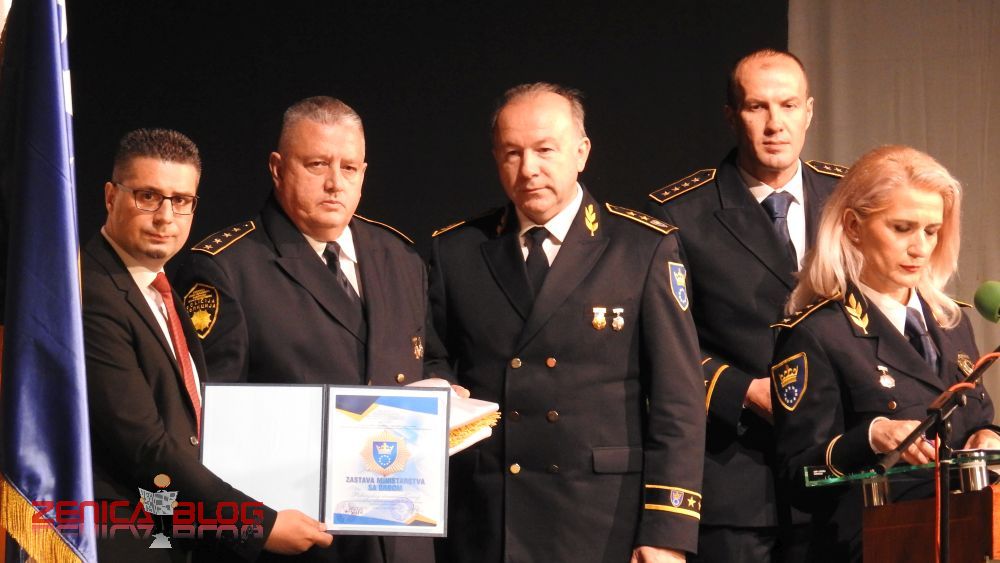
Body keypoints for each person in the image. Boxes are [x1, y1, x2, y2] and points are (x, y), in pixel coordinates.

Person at [429, 83, 705, 563]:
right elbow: (432, 357)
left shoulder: (642, 248)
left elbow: (678, 400)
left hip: (599, 518)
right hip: (489, 519)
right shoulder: (457, 251)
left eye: (545, 150)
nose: (528, 169)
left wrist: (667, 531)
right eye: (512, 153)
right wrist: (441, 388)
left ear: (582, 152)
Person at [173, 97, 441, 563]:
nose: (335, 182)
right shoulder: (227, 268)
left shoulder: (399, 257)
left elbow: (427, 360)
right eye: (317, 164)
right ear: (277, 169)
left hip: (400, 536)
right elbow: (209, 428)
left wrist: (446, 395)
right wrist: (253, 526)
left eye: (349, 167)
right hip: (298, 542)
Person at [84, 128, 332, 561]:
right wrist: (257, 523)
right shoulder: (91, 294)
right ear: (110, 197)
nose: (166, 217)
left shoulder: (159, 288)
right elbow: (145, 447)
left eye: (181, 200)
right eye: (148, 196)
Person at [645, 48, 844, 562]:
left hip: (838, 476)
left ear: (809, 112)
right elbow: (660, 346)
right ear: (731, 116)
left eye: (789, 105)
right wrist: (743, 391)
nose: (776, 124)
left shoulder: (851, 199)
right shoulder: (679, 214)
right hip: (737, 480)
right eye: (758, 107)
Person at [770, 144, 1000, 561]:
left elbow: (977, 421)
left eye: (931, 231)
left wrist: (987, 439)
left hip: (965, 540)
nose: (920, 248)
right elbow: (798, 476)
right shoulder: (818, 332)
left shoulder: (952, 322)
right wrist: (872, 436)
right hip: (872, 546)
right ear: (853, 226)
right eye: (902, 228)